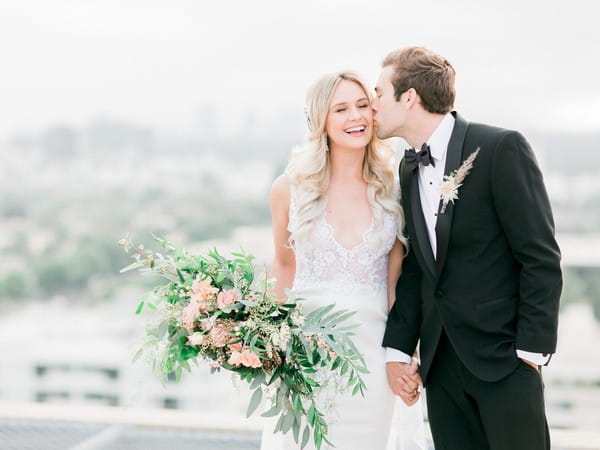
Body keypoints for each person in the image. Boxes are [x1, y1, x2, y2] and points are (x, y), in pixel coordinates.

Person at [374, 46, 562, 450]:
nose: (372, 107)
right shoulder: (408, 167)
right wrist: (397, 348)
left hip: (505, 363)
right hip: (441, 372)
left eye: (378, 94)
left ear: (409, 98)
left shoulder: (500, 148)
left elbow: (539, 256)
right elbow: (419, 269)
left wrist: (530, 353)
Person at [262, 71, 426, 450]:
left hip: (371, 362)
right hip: (305, 357)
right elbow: (284, 268)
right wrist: (270, 348)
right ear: (322, 120)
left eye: (362, 106)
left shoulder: (395, 190)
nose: (355, 116)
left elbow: (394, 283)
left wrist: (403, 355)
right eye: (341, 109)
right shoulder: (289, 190)